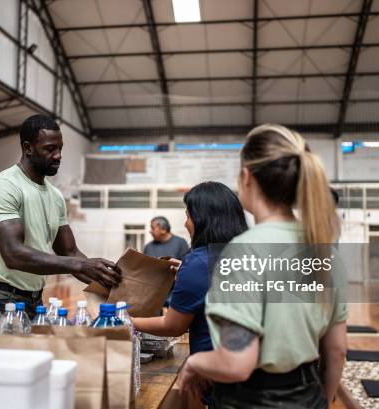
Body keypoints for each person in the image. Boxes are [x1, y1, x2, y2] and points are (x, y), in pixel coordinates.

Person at [177, 124, 348, 408]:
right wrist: (324, 401)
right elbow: (337, 350)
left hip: (251, 399)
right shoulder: (325, 252)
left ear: (246, 177)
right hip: (310, 396)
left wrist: (195, 363)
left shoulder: (241, 253)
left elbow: (236, 362)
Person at [0, 114, 121, 319]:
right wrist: (81, 265)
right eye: (50, 149)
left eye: (60, 148)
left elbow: (69, 251)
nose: (59, 155)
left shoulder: (55, 196)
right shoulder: (5, 186)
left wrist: (110, 282)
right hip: (0, 300)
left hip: (35, 300)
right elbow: (13, 254)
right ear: (28, 148)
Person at [133, 181, 248, 406]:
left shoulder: (198, 262)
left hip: (221, 377)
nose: (186, 223)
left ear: (201, 219)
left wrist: (130, 321)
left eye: (187, 216)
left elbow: (173, 326)